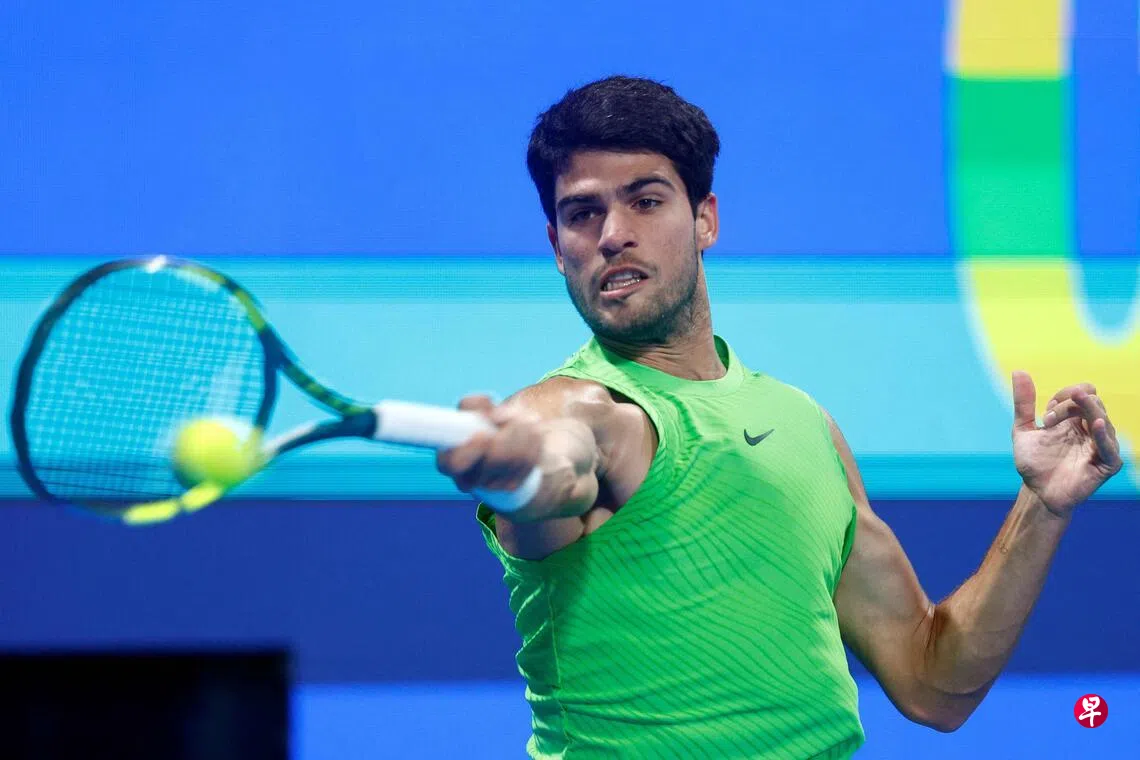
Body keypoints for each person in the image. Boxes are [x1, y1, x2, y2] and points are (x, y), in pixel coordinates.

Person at [436, 76, 1122, 758]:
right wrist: (519, 470)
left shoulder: (804, 425)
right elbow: (558, 459)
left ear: (705, 219)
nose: (614, 234)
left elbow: (933, 683)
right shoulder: (573, 409)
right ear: (558, 248)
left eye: (645, 201)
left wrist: (1042, 506)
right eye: (583, 214)